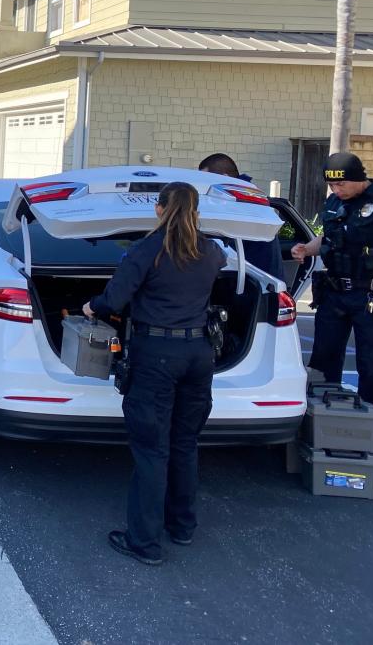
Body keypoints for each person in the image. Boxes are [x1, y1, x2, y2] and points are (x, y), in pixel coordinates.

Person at [82, 182, 224, 566]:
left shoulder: (146, 252)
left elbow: (114, 299)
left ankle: (143, 542)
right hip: (199, 354)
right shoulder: (212, 251)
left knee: (151, 449)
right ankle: (182, 527)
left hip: (157, 355)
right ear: (196, 212)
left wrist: (92, 307)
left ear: (159, 209)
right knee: (184, 443)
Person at [290, 152, 373, 408]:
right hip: (334, 293)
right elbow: (330, 237)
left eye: (341, 183)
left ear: (358, 178)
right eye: (332, 185)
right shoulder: (334, 202)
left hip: (371, 295)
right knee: (323, 360)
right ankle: (323, 415)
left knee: (372, 363)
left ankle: (369, 417)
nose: (336, 189)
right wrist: (306, 248)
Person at [197, 152, 286, 281]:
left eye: (207, 179)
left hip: (253, 285)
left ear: (224, 177)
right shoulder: (251, 198)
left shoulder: (240, 204)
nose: (204, 185)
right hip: (262, 283)